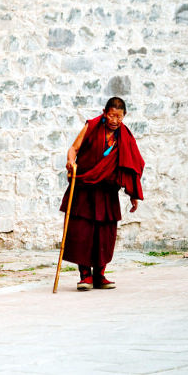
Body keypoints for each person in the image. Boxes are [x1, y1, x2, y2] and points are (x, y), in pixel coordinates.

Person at [60, 97, 145, 291]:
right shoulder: (92, 126)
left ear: (124, 117)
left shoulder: (124, 136)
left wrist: (132, 194)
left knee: (105, 235)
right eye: (112, 115)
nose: (115, 120)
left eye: (119, 117)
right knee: (83, 233)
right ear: (104, 113)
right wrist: (71, 161)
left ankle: (99, 275)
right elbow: (74, 149)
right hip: (85, 189)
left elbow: (131, 165)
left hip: (107, 192)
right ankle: (85, 276)